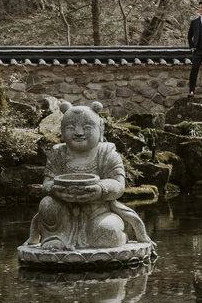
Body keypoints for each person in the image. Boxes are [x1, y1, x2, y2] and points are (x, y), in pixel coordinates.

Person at [25, 101, 153, 250]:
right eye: (71, 128)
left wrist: (101, 189)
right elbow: (47, 182)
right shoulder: (58, 154)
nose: (78, 132)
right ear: (62, 130)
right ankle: (56, 238)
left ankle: (119, 237)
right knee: (47, 204)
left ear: (100, 130)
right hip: (63, 210)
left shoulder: (106, 154)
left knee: (107, 233)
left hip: (99, 210)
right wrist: (54, 189)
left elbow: (119, 185)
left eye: (87, 128)